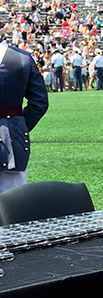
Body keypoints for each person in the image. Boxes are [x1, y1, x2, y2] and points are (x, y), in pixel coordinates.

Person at [0, 40, 48, 192]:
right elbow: (39, 102)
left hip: (12, 135)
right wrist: (18, 126)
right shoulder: (23, 58)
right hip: (12, 138)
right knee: (13, 204)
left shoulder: (23, 58)